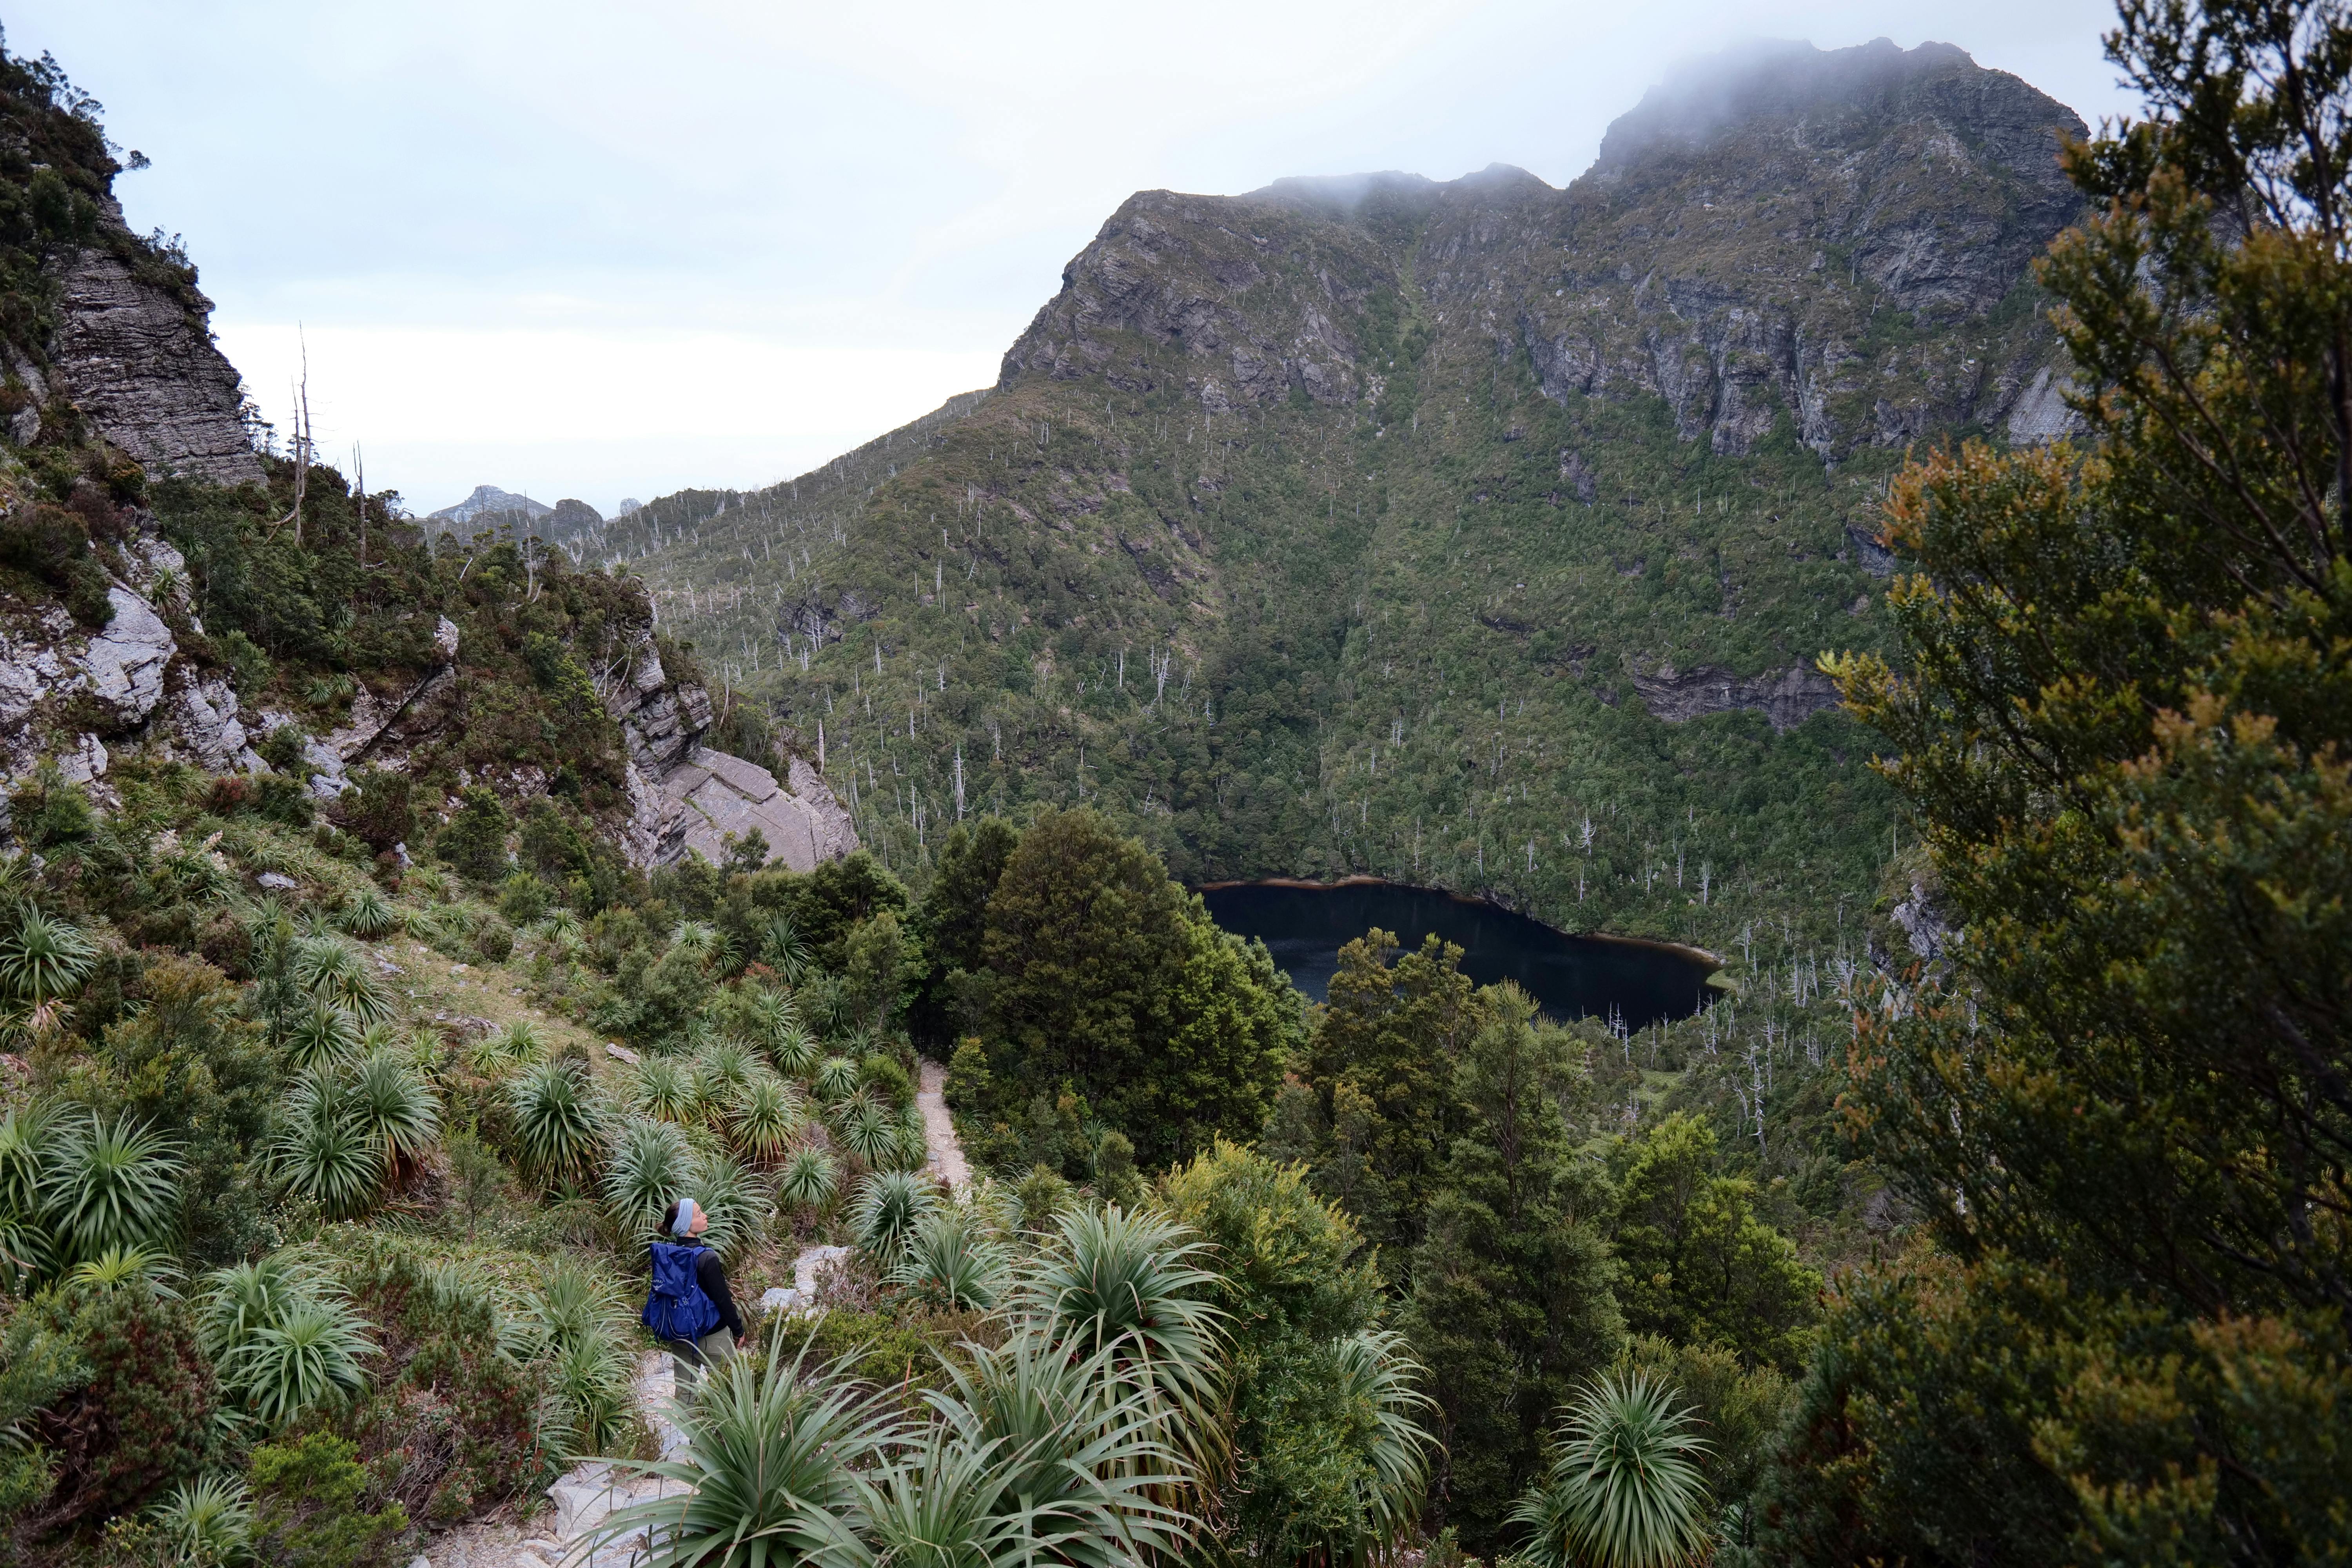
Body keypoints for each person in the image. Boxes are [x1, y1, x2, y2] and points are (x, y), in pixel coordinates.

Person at [645, 1198, 742, 1394]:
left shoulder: (670, 1255)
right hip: (712, 1335)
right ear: (686, 1225)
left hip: (680, 1335)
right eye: (699, 1214)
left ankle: (685, 1425)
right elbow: (722, 1300)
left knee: (685, 1395)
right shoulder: (707, 1258)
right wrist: (738, 1330)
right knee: (731, 1391)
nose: (705, 1216)